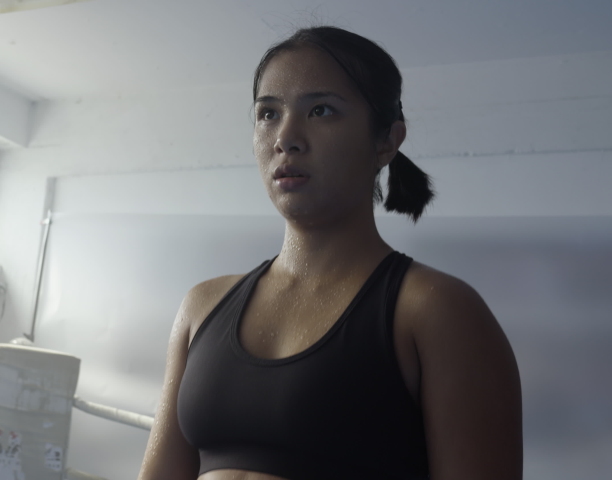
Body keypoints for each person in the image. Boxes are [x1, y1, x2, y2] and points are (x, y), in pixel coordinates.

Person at [138, 26, 522, 480]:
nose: (286, 137)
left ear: (386, 140)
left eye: (320, 111)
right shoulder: (201, 307)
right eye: (268, 114)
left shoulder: (436, 310)